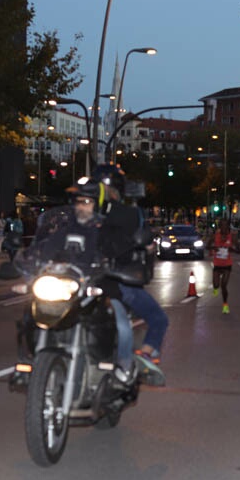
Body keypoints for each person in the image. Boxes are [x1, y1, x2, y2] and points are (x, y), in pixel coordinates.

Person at [90, 164, 169, 386]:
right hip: (113, 279)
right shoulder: (131, 214)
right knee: (157, 319)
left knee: (124, 326)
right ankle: (138, 358)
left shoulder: (83, 210)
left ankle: (126, 366)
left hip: (94, 278)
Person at [211, 218, 240, 314]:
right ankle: (215, 287)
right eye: (222, 226)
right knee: (216, 285)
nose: (224, 228)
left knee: (224, 285)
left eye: (225, 225)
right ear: (220, 227)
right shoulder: (215, 236)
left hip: (227, 264)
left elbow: (239, 251)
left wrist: (232, 249)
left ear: (228, 226)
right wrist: (214, 248)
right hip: (217, 263)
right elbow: (207, 246)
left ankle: (225, 305)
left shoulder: (232, 237)